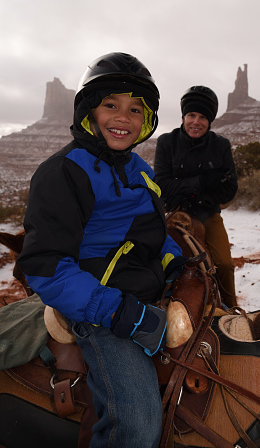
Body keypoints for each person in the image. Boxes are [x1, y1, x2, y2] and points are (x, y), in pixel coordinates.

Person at [18, 52, 187, 448]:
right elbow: (44, 264)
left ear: (145, 121)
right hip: (100, 311)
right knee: (138, 423)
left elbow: (153, 230)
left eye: (134, 109)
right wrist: (118, 312)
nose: (122, 117)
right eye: (110, 105)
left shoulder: (138, 169)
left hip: (145, 295)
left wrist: (174, 259)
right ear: (89, 111)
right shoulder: (64, 171)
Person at [154, 85, 238, 307]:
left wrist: (184, 187)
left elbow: (229, 190)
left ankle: (232, 309)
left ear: (210, 121)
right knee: (151, 258)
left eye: (202, 117)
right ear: (183, 116)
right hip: (173, 212)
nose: (196, 122)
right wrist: (203, 181)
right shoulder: (166, 142)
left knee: (225, 264)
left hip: (207, 214)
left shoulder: (220, 145)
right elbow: (161, 185)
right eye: (191, 115)